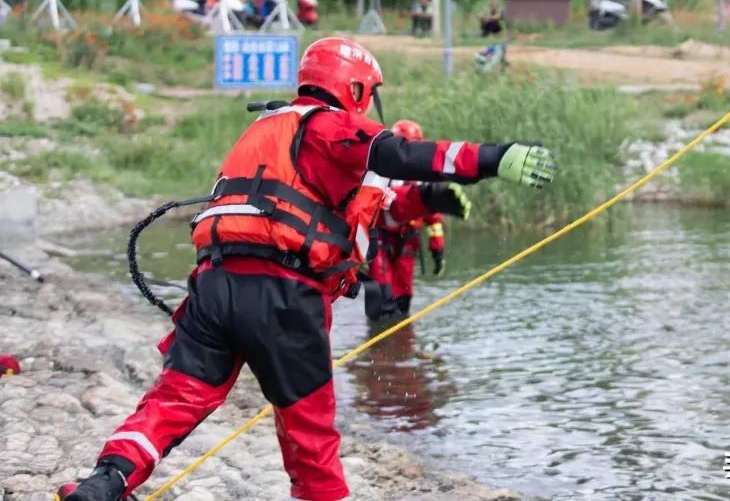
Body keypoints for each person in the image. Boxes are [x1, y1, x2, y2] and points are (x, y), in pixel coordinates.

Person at [57, 37, 556, 501]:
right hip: (282, 296)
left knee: (174, 401)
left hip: (212, 286)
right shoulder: (329, 125)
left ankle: (106, 481)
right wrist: (496, 157)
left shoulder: (263, 129)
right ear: (354, 87)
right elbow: (401, 156)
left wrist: (435, 202)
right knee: (310, 438)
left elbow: (374, 202)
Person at [368, 120, 456, 319]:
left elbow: (433, 218)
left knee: (404, 300)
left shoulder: (421, 178)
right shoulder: (379, 173)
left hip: (407, 241)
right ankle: (378, 344)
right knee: (383, 298)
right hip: (380, 240)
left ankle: (402, 345)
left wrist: (437, 249)